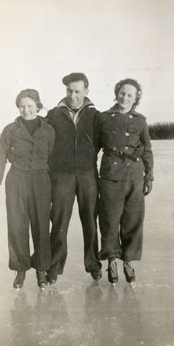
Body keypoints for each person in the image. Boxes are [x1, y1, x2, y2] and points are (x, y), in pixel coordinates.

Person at [0, 89, 55, 289]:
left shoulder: (48, 130)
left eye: (29, 105)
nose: (26, 110)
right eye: (22, 106)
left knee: (41, 227)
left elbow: (52, 157)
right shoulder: (10, 129)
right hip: (16, 179)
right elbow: (1, 156)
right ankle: (20, 269)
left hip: (40, 181)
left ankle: (41, 269)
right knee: (17, 226)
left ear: (37, 105)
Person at [46, 72, 102, 283]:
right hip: (61, 175)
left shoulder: (95, 116)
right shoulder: (53, 114)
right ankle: (54, 267)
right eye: (69, 91)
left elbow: (101, 142)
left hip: (88, 174)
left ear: (86, 91)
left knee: (90, 220)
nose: (73, 95)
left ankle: (93, 264)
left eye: (77, 91)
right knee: (59, 221)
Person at [97, 78, 153, 284]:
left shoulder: (140, 120)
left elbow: (147, 150)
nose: (125, 97)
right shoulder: (104, 118)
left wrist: (149, 176)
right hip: (110, 176)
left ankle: (128, 260)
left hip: (135, 177)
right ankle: (111, 260)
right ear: (116, 93)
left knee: (132, 220)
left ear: (136, 97)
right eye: (122, 93)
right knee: (110, 220)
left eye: (130, 94)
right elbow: (93, 146)